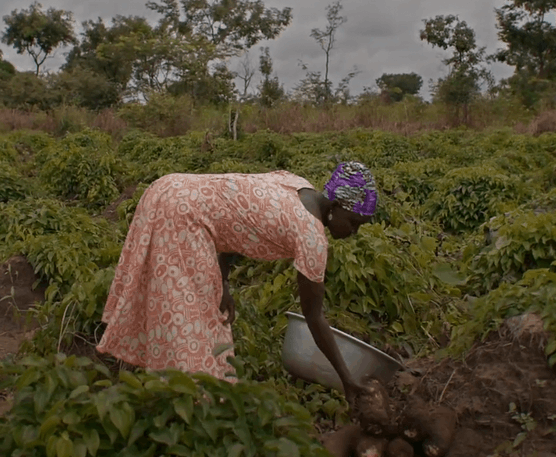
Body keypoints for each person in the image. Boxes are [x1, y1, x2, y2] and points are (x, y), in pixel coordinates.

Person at [96, 161, 379, 401]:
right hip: (182, 216)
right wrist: (347, 380)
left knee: (208, 316)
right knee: (192, 326)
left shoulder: (297, 184)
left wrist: (224, 281)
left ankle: (171, 392)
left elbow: (236, 217)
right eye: (353, 222)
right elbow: (314, 317)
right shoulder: (311, 237)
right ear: (336, 205)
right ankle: (184, 405)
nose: (352, 232)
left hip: (167, 189)